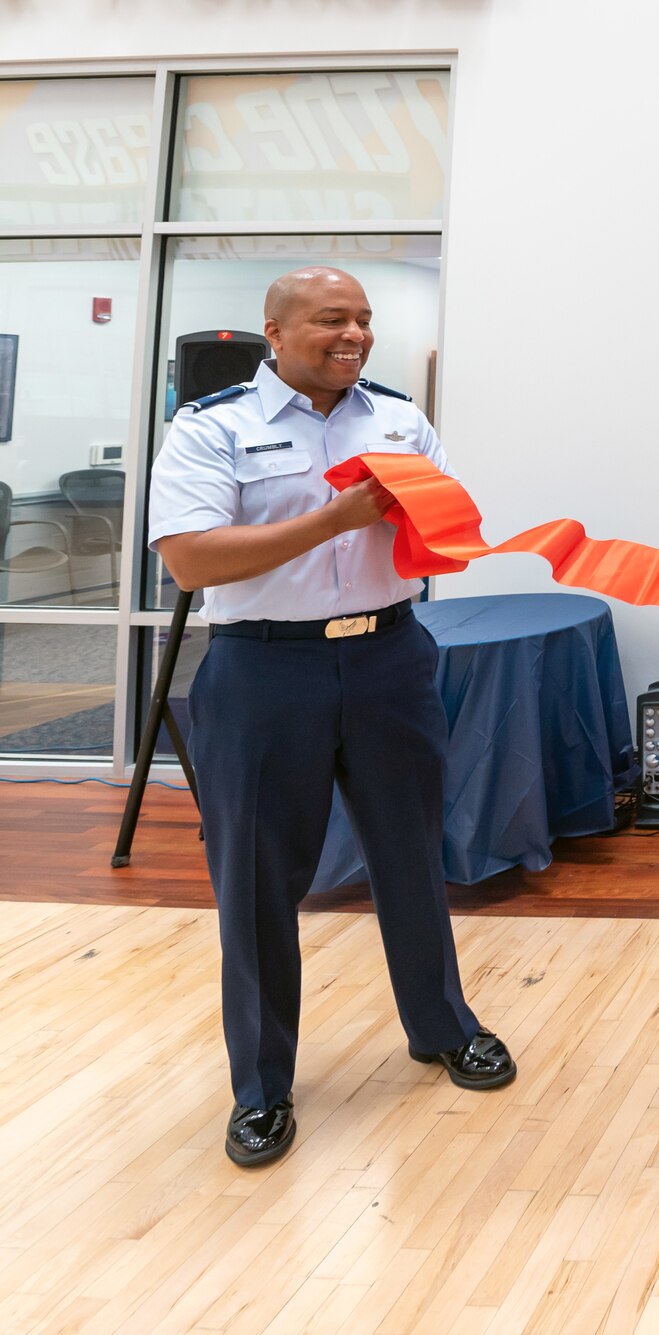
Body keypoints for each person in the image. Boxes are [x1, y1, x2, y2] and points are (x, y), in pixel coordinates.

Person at [149, 267, 515, 1167]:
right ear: (273, 331)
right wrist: (335, 517)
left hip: (391, 656)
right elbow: (192, 560)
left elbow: (439, 529)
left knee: (410, 853)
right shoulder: (211, 428)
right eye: (330, 320)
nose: (353, 334)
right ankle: (263, 1086)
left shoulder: (398, 419)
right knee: (258, 881)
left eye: (363, 319)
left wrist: (450, 529)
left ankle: (440, 1026)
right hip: (266, 669)